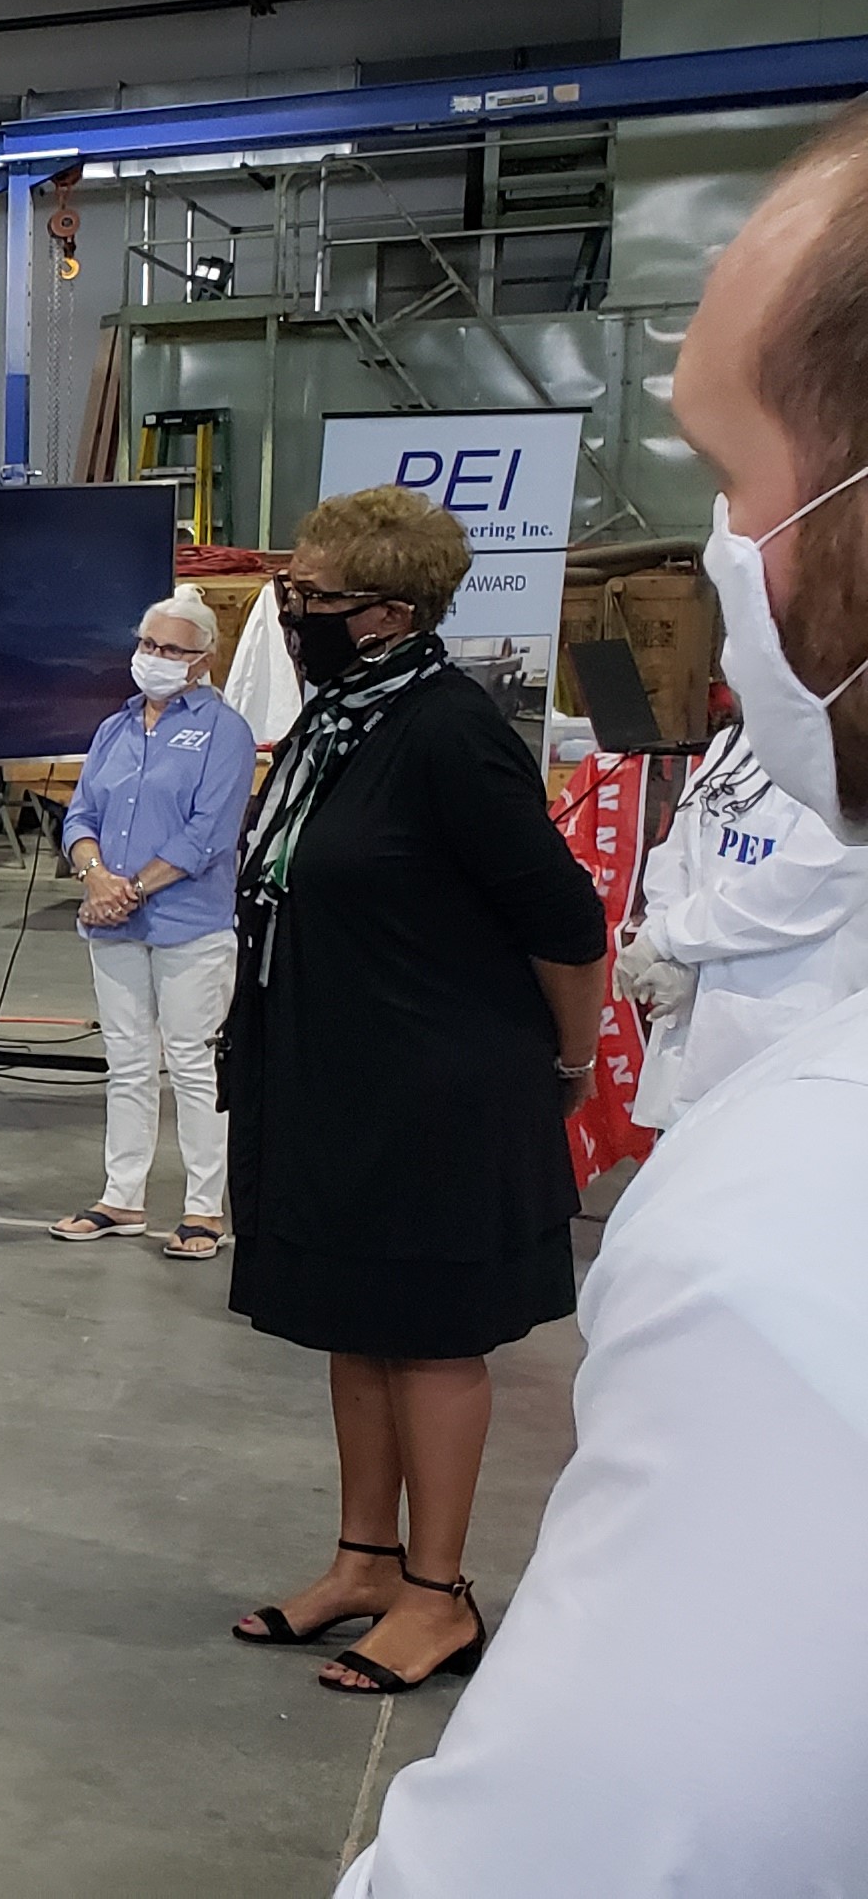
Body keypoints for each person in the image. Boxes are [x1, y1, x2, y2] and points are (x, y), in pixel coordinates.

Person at [330, 101, 868, 1896]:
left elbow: (590, 1850)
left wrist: (580, 1035)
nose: (718, 555)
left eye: (731, 478)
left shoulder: (799, 1227)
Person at [219, 484, 608, 1698]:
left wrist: (572, 1062)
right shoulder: (343, 722)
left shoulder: (447, 730)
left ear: (388, 614)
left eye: (316, 599)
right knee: (358, 1325)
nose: (294, 614)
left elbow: (565, 919)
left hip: (438, 1087)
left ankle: (439, 1594)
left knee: (432, 1339)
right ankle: (366, 1561)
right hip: (339, 1080)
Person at [50, 591, 259, 1257]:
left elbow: (210, 834)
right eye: (148, 646)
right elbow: (79, 815)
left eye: (172, 649)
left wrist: (133, 887)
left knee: (193, 1064)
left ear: (203, 659)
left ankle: (203, 1209)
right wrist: (97, 879)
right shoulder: (114, 728)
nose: (156, 659)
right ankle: (122, 1197)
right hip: (110, 919)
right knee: (128, 1062)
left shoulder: (224, 732)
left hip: (188, 924)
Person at [616, 718, 868, 1125]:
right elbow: (677, 851)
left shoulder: (853, 759)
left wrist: (668, 938)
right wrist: (671, 948)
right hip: (695, 1037)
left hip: (785, 1043)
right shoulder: (732, 745)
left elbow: (802, 889)